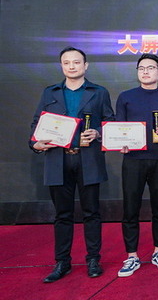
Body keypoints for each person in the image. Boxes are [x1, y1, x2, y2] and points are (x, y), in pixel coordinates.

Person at [30, 47, 114, 283]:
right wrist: (35, 143)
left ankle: (93, 259)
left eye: (76, 62)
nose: (71, 66)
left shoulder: (99, 92)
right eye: (66, 63)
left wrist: (97, 133)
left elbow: (110, 122)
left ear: (85, 66)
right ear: (61, 66)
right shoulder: (50, 92)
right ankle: (62, 262)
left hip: (88, 159)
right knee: (62, 214)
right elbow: (37, 123)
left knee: (92, 213)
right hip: (58, 159)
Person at [115, 54, 158, 277]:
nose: (146, 71)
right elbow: (118, 127)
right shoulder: (126, 97)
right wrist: (119, 142)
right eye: (142, 68)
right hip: (133, 160)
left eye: (151, 68)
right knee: (131, 208)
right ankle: (131, 255)